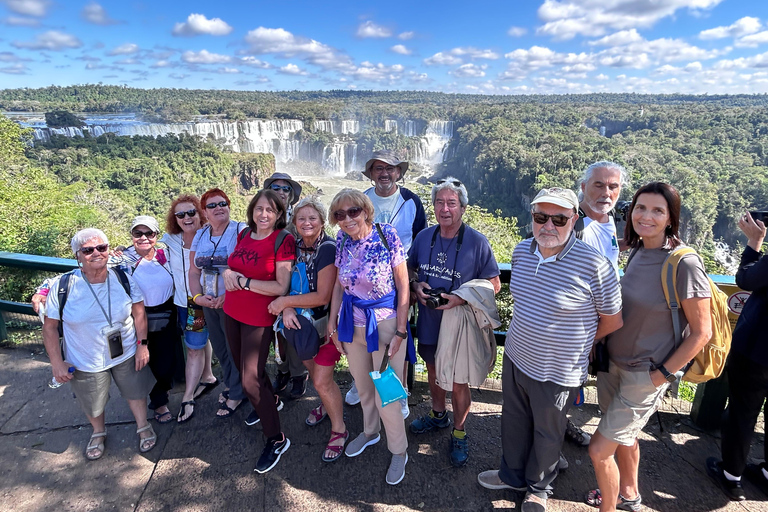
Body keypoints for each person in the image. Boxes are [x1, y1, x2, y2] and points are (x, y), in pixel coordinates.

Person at [477, 187, 623, 512]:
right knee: (513, 421)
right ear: (532, 217)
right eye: (541, 217)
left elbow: (613, 319)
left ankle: (539, 488)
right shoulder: (520, 252)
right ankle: (511, 475)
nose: (549, 226)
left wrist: (582, 344)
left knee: (548, 431)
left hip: (558, 369)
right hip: (516, 356)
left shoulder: (594, 265)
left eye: (559, 218)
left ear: (574, 219)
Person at [586, 182, 711, 512]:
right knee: (625, 437)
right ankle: (629, 494)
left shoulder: (684, 263)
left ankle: (609, 506)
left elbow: (702, 332)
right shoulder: (638, 251)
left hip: (646, 374)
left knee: (599, 450)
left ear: (671, 218)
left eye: (658, 210)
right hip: (614, 365)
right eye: (641, 208)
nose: (646, 216)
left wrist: (662, 376)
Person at [407, 177, 501, 467]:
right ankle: (438, 415)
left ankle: (459, 432)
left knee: (459, 382)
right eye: (439, 202)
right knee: (434, 371)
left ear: (462, 207)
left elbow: (494, 283)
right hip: (430, 321)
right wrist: (416, 286)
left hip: (459, 324)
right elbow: (409, 270)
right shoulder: (424, 238)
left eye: (451, 203)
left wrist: (461, 297)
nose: (445, 208)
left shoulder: (476, 241)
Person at [42, 228, 156, 460]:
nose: (96, 253)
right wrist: (56, 363)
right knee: (92, 399)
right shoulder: (65, 286)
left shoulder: (122, 278)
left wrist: (142, 344)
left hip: (125, 350)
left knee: (135, 391)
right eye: (88, 250)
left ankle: (143, 426)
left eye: (101, 248)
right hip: (84, 356)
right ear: (78, 256)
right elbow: (50, 327)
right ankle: (98, 431)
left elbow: (139, 313)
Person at [327, 188, 414, 485]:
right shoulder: (341, 240)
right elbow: (339, 286)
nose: (348, 219)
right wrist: (332, 323)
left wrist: (401, 329)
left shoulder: (386, 234)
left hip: (385, 323)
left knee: (387, 393)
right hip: (352, 324)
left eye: (353, 211)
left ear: (365, 210)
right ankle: (369, 432)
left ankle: (399, 450)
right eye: (340, 214)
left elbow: (404, 285)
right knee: (363, 387)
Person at [346, 149, 427, 417]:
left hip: (400, 279)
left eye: (390, 168)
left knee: (398, 339)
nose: (384, 173)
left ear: (399, 173)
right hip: (365, 285)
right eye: (378, 168)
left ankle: (399, 392)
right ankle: (364, 384)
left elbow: (420, 241)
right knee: (363, 336)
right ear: (371, 174)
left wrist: (413, 279)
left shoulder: (411, 201)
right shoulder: (361, 200)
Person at [267, 196, 348, 462]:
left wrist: (284, 303)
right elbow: (286, 284)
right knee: (317, 378)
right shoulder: (295, 245)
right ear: (294, 222)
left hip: (325, 326)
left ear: (323, 221)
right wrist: (287, 308)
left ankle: (340, 430)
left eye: (312, 218)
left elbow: (323, 296)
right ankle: (327, 405)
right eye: (301, 218)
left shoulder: (327, 248)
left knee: (321, 380)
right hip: (299, 326)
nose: (306, 223)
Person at [221, 189, 296, 473]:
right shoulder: (244, 235)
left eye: (271, 210)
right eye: (259, 209)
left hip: (258, 318)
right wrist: (230, 274)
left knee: (249, 379)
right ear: (252, 210)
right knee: (250, 371)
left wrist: (242, 281)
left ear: (279, 215)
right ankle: (271, 401)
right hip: (232, 312)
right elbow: (234, 267)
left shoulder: (283, 240)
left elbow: (281, 287)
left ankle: (276, 438)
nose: (263, 215)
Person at [706, 211, 767, 501]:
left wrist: (754, 243)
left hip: (757, 349)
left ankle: (731, 475)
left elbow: (746, 279)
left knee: (743, 411)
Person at [188, 188, 248, 418]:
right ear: (205, 212)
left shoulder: (240, 231)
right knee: (220, 347)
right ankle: (233, 384)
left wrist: (229, 296)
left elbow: (247, 267)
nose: (218, 208)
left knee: (235, 348)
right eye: (212, 205)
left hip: (233, 300)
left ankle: (236, 393)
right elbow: (194, 272)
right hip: (208, 301)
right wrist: (198, 297)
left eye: (223, 203)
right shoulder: (200, 236)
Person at [161, 195, 218, 423]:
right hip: (186, 303)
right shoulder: (171, 240)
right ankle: (208, 376)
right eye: (181, 214)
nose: (187, 218)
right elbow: (141, 249)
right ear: (175, 219)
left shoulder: (211, 236)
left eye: (191, 213)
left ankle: (187, 397)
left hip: (208, 301)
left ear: (200, 214)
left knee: (195, 347)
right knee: (197, 342)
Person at [118, 216, 177, 424]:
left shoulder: (165, 255)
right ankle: (158, 402)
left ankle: (163, 393)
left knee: (165, 361)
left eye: (149, 233)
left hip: (167, 312)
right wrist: (44, 291)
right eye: (138, 233)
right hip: (137, 316)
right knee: (145, 362)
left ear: (156, 236)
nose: (143, 238)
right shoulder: (122, 259)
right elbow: (89, 271)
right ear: (132, 236)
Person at [263, 172, 311, 400]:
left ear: (291, 195)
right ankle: (282, 372)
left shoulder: (298, 219)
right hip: (266, 285)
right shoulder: (262, 217)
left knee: (293, 330)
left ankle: (299, 374)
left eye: (286, 189)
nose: (281, 192)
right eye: (276, 187)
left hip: (294, 286)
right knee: (276, 334)